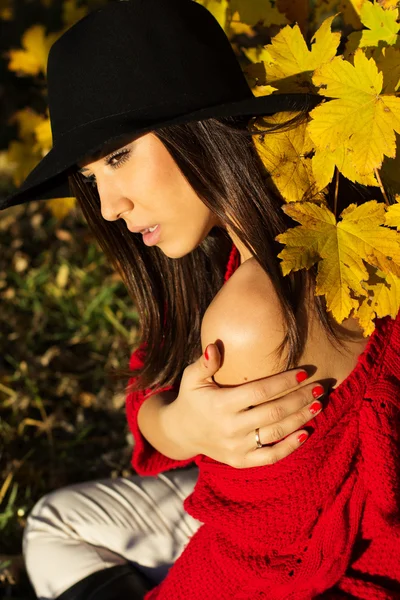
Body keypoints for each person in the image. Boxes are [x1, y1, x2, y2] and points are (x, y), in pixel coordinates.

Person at [2, 1, 399, 599]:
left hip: (306, 564)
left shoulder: (252, 317)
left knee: (59, 537)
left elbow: (256, 568)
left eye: (118, 156)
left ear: (199, 127)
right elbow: (149, 386)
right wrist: (180, 425)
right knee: (56, 521)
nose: (108, 206)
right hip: (264, 523)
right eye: (91, 178)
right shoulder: (243, 238)